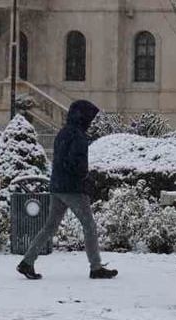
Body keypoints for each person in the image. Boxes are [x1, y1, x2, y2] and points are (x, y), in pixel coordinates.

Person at [17, 100, 117, 280]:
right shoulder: (78, 136)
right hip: (73, 189)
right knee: (89, 226)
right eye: (90, 117)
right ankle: (95, 267)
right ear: (83, 117)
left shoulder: (63, 133)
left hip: (57, 186)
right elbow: (77, 164)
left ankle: (27, 261)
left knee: (49, 227)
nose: (91, 121)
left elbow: (61, 160)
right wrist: (85, 177)